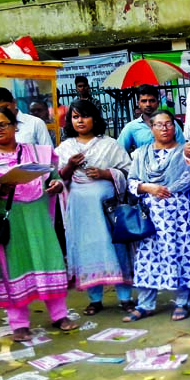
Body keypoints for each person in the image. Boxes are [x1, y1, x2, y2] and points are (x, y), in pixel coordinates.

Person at [0, 107, 74, 341]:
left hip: (38, 219)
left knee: (49, 260)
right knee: (12, 268)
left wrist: (57, 184)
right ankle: (19, 325)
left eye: (3, 124)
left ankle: (60, 316)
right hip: (8, 223)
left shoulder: (37, 153)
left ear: (15, 126)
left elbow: (54, 176)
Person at [55, 100, 134, 316]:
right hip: (80, 210)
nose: (80, 120)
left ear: (95, 119)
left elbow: (129, 172)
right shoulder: (65, 148)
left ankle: (125, 298)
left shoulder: (109, 144)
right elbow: (56, 179)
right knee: (86, 250)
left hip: (108, 209)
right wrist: (70, 166)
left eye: (85, 116)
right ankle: (95, 299)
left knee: (116, 248)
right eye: (75, 117)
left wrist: (106, 174)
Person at [122, 110, 190, 322]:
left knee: (181, 253)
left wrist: (169, 188)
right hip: (150, 215)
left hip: (179, 215)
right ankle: (145, 304)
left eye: (169, 124)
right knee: (148, 257)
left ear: (175, 127)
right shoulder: (141, 153)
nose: (165, 128)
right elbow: (132, 181)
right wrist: (149, 187)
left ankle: (182, 302)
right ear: (151, 128)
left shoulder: (185, 152)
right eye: (159, 125)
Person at [117, 84, 185, 153]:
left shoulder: (171, 124)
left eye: (152, 100)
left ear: (158, 103)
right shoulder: (131, 127)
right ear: (138, 104)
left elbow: (182, 149)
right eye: (144, 101)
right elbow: (119, 152)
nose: (148, 104)